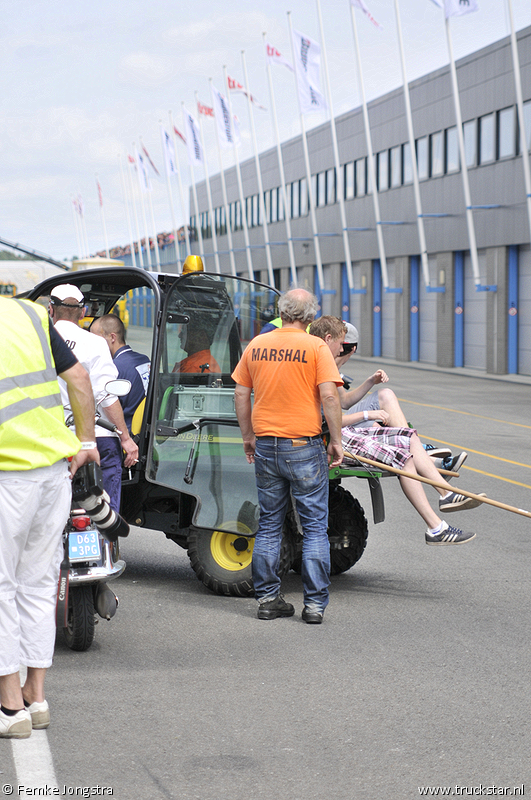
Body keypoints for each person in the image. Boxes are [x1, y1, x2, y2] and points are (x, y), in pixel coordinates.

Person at [0, 295, 98, 739]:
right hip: (52, 472)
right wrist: (85, 441)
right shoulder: (29, 312)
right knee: (39, 585)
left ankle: (9, 706)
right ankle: (36, 697)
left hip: (7, 477)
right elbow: (77, 376)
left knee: (2, 587)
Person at [309, 316, 485, 545]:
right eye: (341, 344)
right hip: (332, 436)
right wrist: (368, 415)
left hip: (338, 430)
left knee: (408, 437)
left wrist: (370, 385)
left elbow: (339, 405)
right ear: (328, 339)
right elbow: (329, 418)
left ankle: (446, 495)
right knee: (401, 457)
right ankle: (436, 526)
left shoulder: (323, 361)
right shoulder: (318, 364)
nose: (342, 350)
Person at [232, 289, 343, 625]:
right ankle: (314, 606)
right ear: (309, 317)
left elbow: (240, 391)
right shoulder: (316, 347)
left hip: (266, 445)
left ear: (282, 311)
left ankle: (268, 600)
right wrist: (335, 439)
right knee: (313, 529)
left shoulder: (257, 344)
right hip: (303, 447)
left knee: (269, 524)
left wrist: (248, 436)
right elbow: (330, 396)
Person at [48, 284, 138, 513]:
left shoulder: (37, 342)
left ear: (51, 310)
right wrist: (126, 438)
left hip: (52, 437)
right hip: (97, 438)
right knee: (104, 508)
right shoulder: (95, 343)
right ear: (82, 312)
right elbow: (106, 396)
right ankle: (104, 541)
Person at [337, 321, 467, 475]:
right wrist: (367, 414)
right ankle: (420, 452)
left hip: (335, 420)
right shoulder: (328, 364)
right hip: (333, 427)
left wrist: (371, 381)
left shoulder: (330, 362)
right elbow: (343, 405)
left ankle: (416, 448)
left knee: (385, 396)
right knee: (371, 422)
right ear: (353, 348)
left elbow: (344, 402)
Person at [91, 314, 150, 434]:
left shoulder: (113, 368)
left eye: (96, 339)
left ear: (112, 337)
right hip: (142, 431)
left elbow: (106, 407)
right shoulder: (144, 360)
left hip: (123, 433)